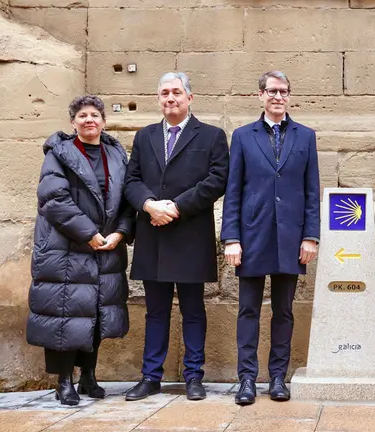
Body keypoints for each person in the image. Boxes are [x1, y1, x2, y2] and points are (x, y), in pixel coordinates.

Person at [124, 72, 229, 401]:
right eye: (164, 93)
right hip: (152, 235)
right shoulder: (145, 136)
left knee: (193, 309)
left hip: (189, 235)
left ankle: (194, 376)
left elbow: (217, 180)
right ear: (158, 99)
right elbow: (131, 180)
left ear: (190, 98)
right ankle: (150, 375)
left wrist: (176, 207)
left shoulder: (211, 136)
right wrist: (149, 204)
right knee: (155, 310)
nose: (170, 98)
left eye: (176, 92)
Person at [27, 95, 134, 406]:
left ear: (103, 121)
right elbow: (54, 199)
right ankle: (64, 382)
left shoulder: (115, 154)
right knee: (65, 314)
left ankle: (88, 375)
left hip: (105, 247)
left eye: (95, 115)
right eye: (83, 115)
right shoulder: (58, 153)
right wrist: (88, 233)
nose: (89, 120)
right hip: (66, 247)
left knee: (96, 313)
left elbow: (128, 199)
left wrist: (121, 232)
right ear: (73, 122)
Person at [221, 71, 320, 406]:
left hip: (291, 238)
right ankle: (246, 379)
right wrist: (231, 237)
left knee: (284, 311)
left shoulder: (305, 136)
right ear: (259, 95)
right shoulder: (243, 137)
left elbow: (311, 190)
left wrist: (310, 236)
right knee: (248, 310)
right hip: (252, 236)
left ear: (289, 96)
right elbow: (233, 190)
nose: (278, 96)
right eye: (271, 91)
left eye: (283, 91)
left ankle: (278, 377)